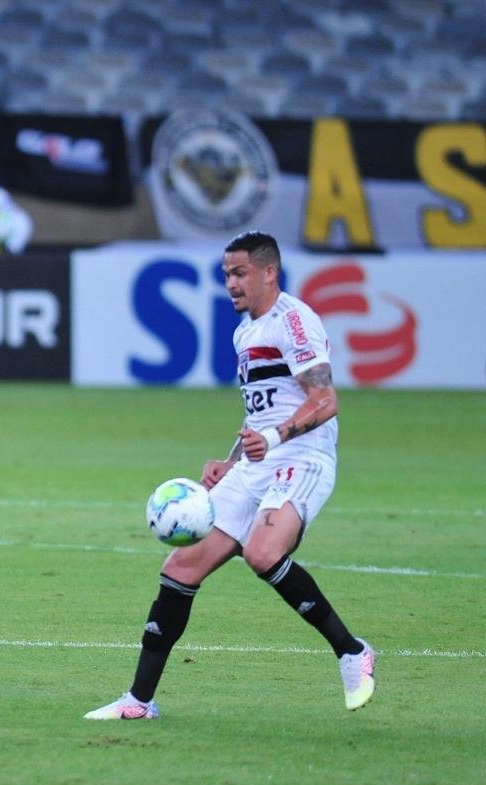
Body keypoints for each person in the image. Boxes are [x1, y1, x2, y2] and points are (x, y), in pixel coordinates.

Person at [85, 231, 375, 720]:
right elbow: (261, 415)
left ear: (268, 272)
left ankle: (352, 652)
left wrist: (276, 440)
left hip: (303, 457)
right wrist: (231, 459)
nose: (230, 284)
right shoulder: (244, 332)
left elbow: (325, 400)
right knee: (180, 568)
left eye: (239, 273)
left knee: (263, 553)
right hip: (259, 460)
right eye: (225, 275)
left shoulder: (294, 321)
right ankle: (138, 702)